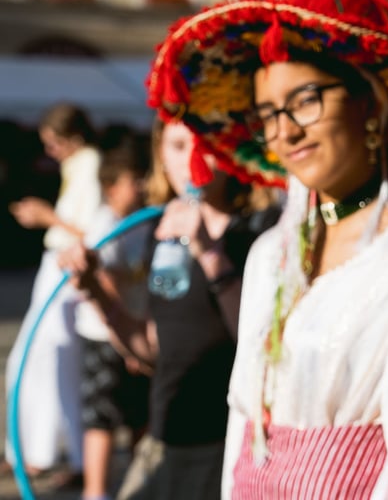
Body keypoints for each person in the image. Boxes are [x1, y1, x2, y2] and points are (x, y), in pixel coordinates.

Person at [146, 0, 388, 498]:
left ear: (368, 105)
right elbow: (243, 422)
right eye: (269, 114)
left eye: (305, 100)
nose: (286, 131)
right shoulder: (266, 256)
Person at [60, 118, 279, 500]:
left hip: (223, 446)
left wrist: (210, 253)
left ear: (229, 154)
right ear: (161, 153)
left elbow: (263, 346)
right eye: (178, 147)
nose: (191, 164)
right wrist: (94, 290)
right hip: (165, 439)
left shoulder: (258, 233)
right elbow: (155, 349)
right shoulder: (161, 233)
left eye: (205, 149)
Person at [6, 102, 102, 486]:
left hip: (67, 270)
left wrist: (47, 217)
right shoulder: (78, 166)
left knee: (55, 364)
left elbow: (91, 232)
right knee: (38, 363)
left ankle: (59, 456)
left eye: (54, 142)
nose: (50, 151)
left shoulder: (91, 164)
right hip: (57, 267)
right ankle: (36, 452)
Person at [59, 127, 152, 500]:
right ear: (111, 186)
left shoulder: (141, 223)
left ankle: (142, 483)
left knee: (137, 415)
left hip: (130, 332)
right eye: (134, 180)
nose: (142, 185)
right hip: (105, 335)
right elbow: (109, 281)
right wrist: (130, 340)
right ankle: (96, 491)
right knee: (102, 417)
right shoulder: (106, 224)